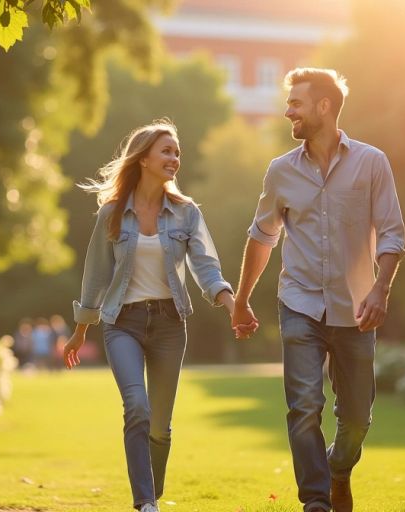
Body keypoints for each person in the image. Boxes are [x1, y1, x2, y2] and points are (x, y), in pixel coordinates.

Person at [232, 68, 405, 512]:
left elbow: (391, 234)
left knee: (356, 421)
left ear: (324, 107)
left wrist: (380, 290)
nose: (288, 110)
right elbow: (262, 236)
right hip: (299, 303)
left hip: (357, 308)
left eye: (296, 103)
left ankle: (339, 469)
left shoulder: (372, 163)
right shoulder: (281, 172)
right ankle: (315, 501)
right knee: (304, 406)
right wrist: (242, 298)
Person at [63, 119, 253, 512]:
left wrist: (233, 306)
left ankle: (152, 489)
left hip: (170, 324)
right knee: (136, 406)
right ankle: (145, 502)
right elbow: (96, 274)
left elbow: (206, 268)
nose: (174, 159)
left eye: (177, 152)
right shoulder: (113, 213)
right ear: (144, 158)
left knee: (159, 426)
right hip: (122, 324)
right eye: (166, 151)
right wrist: (81, 330)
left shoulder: (186, 213)